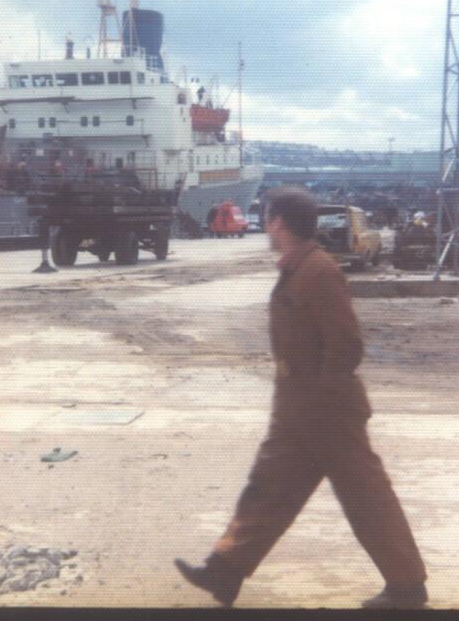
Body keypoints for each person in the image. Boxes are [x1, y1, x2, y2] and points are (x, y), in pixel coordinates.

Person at [174, 187, 427, 609]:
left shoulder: (317, 270)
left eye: (268, 219)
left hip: (326, 409)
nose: (265, 227)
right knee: (269, 487)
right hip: (299, 406)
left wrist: (322, 399)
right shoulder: (299, 267)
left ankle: (407, 587)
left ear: (280, 223)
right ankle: (224, 571)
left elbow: (346, 345)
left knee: (366, 497)